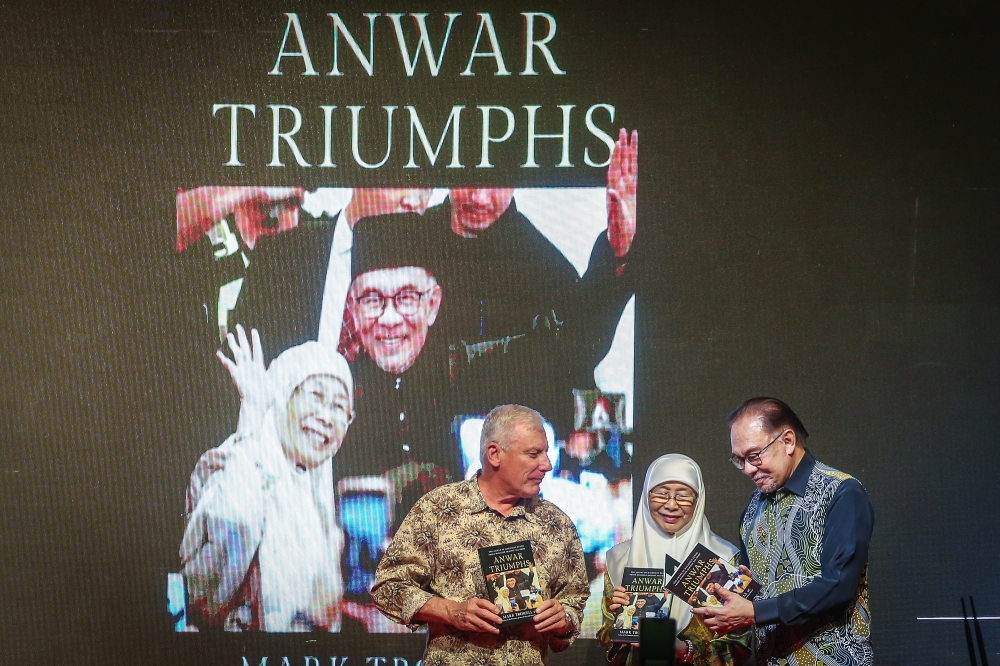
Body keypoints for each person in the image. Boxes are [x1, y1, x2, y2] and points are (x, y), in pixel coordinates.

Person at [370, 404, 590, 666]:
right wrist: (451, 612)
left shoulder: (557, 524)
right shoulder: (438, 509)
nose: (547, 464)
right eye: (534, 454)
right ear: (494, 454)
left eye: (546, 453)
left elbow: (573, 604)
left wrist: (563, 619)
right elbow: (388, 587)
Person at [179, 326, 353, 631]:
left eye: (339, 407)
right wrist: (254, 416)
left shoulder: (317, 505)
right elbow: (207, 589)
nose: (326, 417)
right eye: (316, 396)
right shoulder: (229, 462)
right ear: (283, 395)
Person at [693, 398, 874, 666]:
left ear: (788, 440)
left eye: (754, 456)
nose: (748, 470)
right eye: (739, 460)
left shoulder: (841, 492)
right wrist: (740, 588)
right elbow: (755, 592)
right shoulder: (753, 508)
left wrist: (755, 611)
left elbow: (837, 585)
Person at [597, 454, 752, 666]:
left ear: (698, 501)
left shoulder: (725, 558)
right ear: (646, 496)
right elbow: (610, 647)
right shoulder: (618, 559)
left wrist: (685, 651)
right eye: (661, 494)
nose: (671, 505)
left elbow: (741, 644)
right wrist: (620, 621)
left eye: (683, 496)